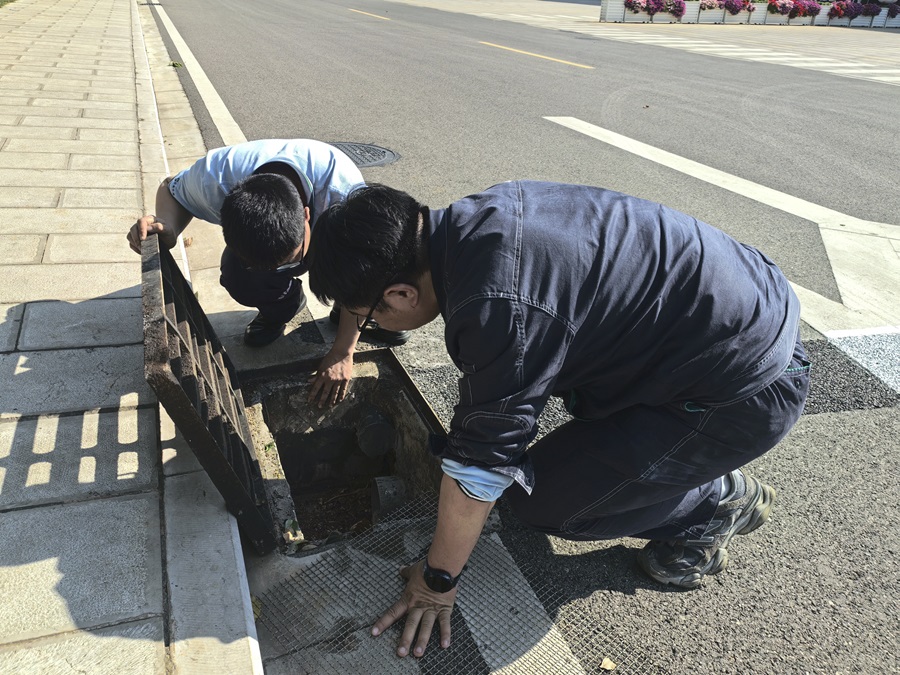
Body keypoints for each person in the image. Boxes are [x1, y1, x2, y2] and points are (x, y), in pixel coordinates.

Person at [308, 181, 811, 658]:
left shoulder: (497, 307)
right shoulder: (479, 218)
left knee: (542, 503)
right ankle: (683, 476)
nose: (372, 326)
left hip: (744, 392)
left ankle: (712, 505)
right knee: (542, 469)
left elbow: (480, 468)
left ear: (401, 295)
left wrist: (437, 582)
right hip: (745, 307)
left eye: (369, 317)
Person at [126, 139, 410, 406]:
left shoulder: (343, 198)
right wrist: (169, 227)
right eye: (271, 268)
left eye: (289, 261)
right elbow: (170, 188)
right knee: (240, 277)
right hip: (296, 228)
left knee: (367, 278)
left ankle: (345, 308)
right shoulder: (215, 180)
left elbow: (366, 271)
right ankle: (285, 304)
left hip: (331, 220)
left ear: (307, 215)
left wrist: (342, 352)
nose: (283, 271)